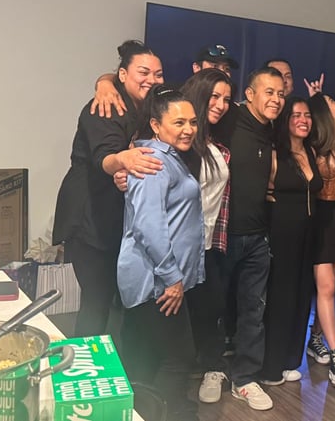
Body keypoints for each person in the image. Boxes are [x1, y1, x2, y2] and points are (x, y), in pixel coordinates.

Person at [52, 40, 164, 337]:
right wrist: (122, 160)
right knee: (97, 302)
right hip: (90, 218)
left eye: (158, 74)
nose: (152, 80)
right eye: (143, 72)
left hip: (117, 220)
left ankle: (116, 361)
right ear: (123, 75)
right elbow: (105, 156)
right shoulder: (105, 106)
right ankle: (85, 364)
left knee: (119, 302)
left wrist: (105, 79)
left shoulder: (146, 109)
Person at [117, 85, 204, 421]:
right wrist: (171, 277)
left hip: (164, 278)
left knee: (148, 358)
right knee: (177, 358)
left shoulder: (170, 158)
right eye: (178, 122)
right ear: (156, 124)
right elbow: (148, 226)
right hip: (155, 281)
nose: (188, 129)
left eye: (192, 122)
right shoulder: (152, 162)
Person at [222, 67, 285, 411]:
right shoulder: (229, 118)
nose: (276, 99)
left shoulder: (271, 127)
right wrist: (106, 82)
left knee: (253, 311)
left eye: (280, 93)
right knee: (214, 308)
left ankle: (244, 379)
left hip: (258, 237)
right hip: (222, 235)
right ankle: (213, 369)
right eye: (269, 92)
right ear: (249, 94)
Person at [179, 69, 234, 404]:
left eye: (226, 99)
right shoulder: (181, 140)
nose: (221, 104)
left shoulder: (217, 143)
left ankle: (211, 369)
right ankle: (172, 386)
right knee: (178, 316)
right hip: (178, 246)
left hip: (210, 243)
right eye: (214, 96)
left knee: (210, 308)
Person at [260, 97, 323, 385]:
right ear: (285, 120)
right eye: (296, 115)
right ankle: (271, 366)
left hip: (310, 236)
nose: (303, 120)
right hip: (282, 235)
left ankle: (291, 360)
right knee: (280, 299)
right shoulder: (275, 154)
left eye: (307, 115)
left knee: (302, 296)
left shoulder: (311, 151)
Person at [305, 92, 335, 386]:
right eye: (333, 102)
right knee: (327, 287)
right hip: (320, 220)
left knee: (333, 279)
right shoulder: (313, 146)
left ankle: (315, 338)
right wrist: (315, 101)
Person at [91, 43, 238, 118]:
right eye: (214, 66)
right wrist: (104, 83)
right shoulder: (175, 93)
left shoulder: (229, 107)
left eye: (226, 69)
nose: (221, 72)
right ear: (196, 68)